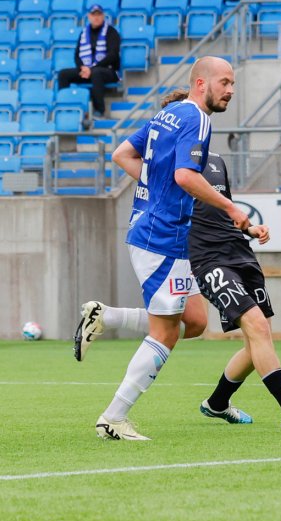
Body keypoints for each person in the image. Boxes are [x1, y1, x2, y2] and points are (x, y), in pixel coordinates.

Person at [76, 88, 281, 431]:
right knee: (237, 329)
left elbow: (223, 209)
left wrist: (249, 228)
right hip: (203, 257)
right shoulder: (179, 161)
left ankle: (215, 401)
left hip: (237, 252)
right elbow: (150, 167)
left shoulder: (214, 160)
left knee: (196, 323)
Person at [90, 58, 250, 441]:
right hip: (162, 238)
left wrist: (158, 189)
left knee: (194, 321)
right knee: (166, 334)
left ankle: (107, 316)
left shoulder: (170, 114)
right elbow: (184, 175)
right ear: (201, 83)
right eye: (225, 82)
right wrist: (230, 207)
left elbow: (122, 155)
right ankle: (113, 417)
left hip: (158, 233)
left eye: (233, 84)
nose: (230, 90)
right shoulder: (197, 118)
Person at [57, 5, 121, 119]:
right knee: (63, 74)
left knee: (96, 73)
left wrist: (91, 69)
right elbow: (77, 54)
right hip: (87, 70)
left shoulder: (111, 32)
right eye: (93, 15)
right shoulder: (83, 33)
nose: (96, 18)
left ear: (103, 16)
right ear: (89, 16)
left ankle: (99, 110)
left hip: (108, 71)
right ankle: (66, 107)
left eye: (99, 14)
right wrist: (82, 68)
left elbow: (113, 55)